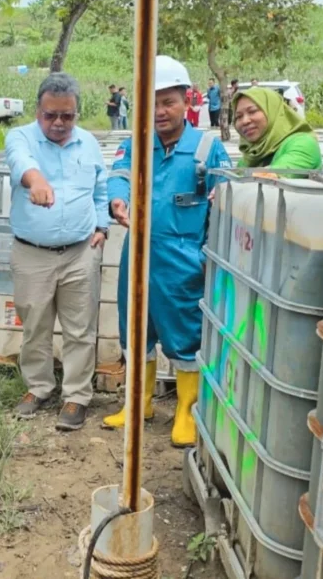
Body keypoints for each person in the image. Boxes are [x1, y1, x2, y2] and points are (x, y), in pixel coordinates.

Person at [102, 56, 231, 448]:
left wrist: (221, 196)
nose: (159, 111)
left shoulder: (207, 147)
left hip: (183, 258)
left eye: (168, 101)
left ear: (187, 99)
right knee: (136, 330)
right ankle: (138, 405)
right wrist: (117, 202)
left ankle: (187, 413)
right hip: (138, 254)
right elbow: (119, 179)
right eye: (151, 102)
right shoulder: (136, 144)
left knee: (186, 336)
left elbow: (224, 195)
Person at [5, 73, 109, 431]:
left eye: (68, 116)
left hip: (81, 252)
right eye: (51, 115)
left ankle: (77, 396)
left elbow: (100, 189)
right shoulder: (20, 137)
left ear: (77, 113)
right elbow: (21, 163)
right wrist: (36, 181)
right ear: (38, 110)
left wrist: (101, 226)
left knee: (81, 328)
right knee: (35, 325)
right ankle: (39, 387)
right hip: (32, 252)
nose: (59, 123)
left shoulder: (89, 144)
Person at [233, 87, 322, 172]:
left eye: (252, 111)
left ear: (273, 111)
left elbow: (274, 175)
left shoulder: (303, 144)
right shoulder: (251, 155)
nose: (244, 121)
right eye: (238, 116)